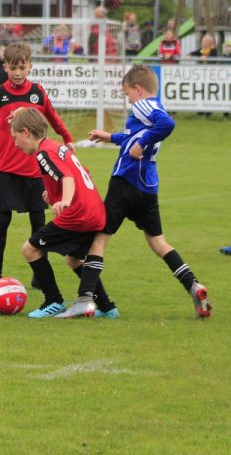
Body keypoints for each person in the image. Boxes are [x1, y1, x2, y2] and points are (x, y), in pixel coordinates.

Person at [59, 65, 211, 318]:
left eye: (128, 94)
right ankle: (193, 285)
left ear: (138, 89)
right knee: (158, 242)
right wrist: (111, 137)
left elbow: (167, 124)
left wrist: (141, 143)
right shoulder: (153, 109)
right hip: (147, 186)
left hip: (125, 182)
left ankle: (85, 299)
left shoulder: (143, 105)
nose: (128, 100)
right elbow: (134, 135)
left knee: (99, 239)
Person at [0, 42, 74, 289]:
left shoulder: (37, 92)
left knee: (39, 223)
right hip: (5, 169)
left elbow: (53, 117)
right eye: (13, 68)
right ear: (5, 67)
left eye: (22, 67)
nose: (17, 73)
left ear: (30, 66)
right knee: (2, 220)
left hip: (35, 169)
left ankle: (39, 276)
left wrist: (67, 138)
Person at [10, 107, 118, 318]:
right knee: (73, 259)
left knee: (30, 249)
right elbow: (82, 173)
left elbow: (67, 178)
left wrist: (65, 201)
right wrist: (54, 194)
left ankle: (53, 301)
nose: (15, 144)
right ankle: (106, 307)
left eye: (15, 138)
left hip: (78, 215)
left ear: (25, 132)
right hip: (94, 210)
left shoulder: (43, 153)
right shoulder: (57, 146)